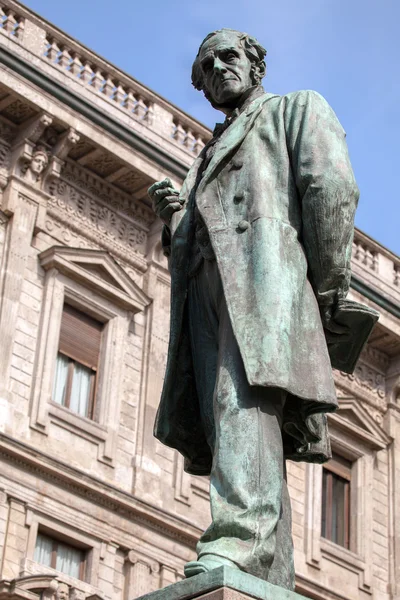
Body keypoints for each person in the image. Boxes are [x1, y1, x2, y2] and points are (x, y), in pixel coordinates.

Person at [148, 28, 360, 588]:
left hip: (264, 292)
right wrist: (179, 218)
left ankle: (237, 546)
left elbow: (330, 188)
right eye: (206, 67)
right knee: (234, 427)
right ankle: (271, 570)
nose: (218, 68)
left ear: (255, 64)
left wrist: (326, 288)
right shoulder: (209, 150)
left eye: (228, 57)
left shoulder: (295, 110)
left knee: (239, 406)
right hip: (208, 298)